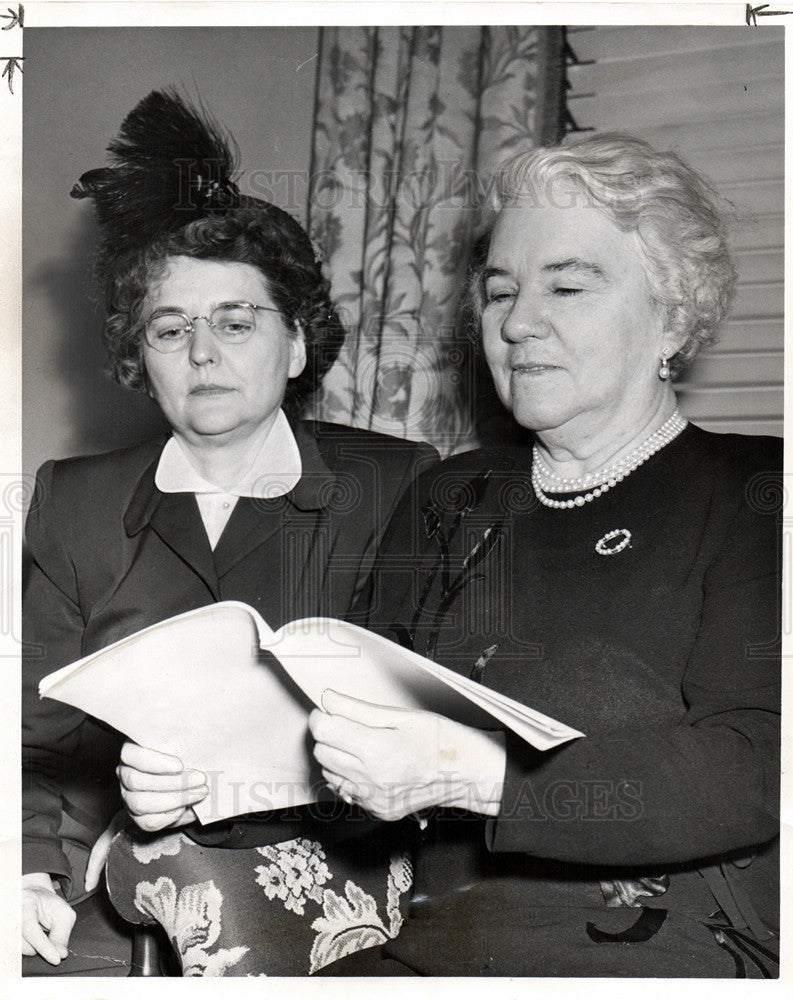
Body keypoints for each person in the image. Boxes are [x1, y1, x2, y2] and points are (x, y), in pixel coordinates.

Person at [308, 133, 782, 977]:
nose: (519, 323)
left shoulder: (755, 491)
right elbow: (351, 723)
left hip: (660, 947)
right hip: (430, 945)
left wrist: (470, 773)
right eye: (499, 292)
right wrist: (209, 766)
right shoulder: (448, 497)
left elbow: (753, 766)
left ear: (672, 314)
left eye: (566, 285)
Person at [22, 90, 436, 975]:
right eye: (170, 329)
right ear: (141, 358)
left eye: (235, 322)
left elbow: (430, 727)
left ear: (295, 345)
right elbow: (36, 738)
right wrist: (24, 875)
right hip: (121, 879)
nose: (201, 352)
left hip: (343, 863)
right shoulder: (73, 501)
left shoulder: (397, 484)